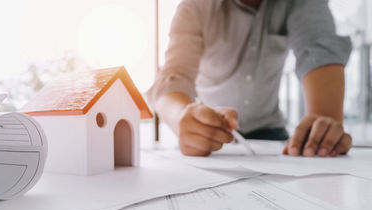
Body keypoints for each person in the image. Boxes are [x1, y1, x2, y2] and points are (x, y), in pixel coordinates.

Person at [147, 0, 353, 157]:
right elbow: (172, 78)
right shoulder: (195, 6)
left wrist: (323, 128)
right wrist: (182, 117)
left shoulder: (299, 3)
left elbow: (319, 51)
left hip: (271, 132)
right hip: (207, 136)